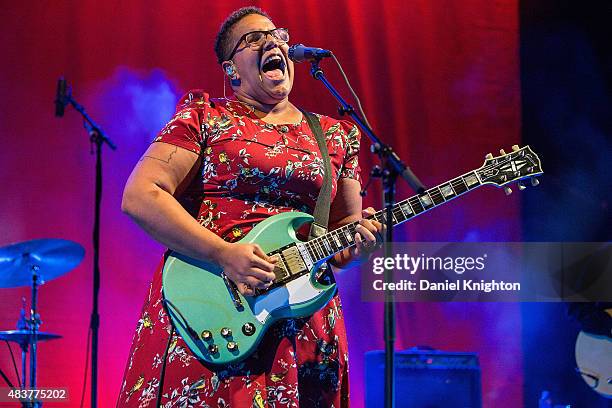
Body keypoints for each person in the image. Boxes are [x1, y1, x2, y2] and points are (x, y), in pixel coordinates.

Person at [117, 6, 382, 407]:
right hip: (213, 308)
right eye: (254, 39)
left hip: (301, 321)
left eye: (277, 35)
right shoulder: (206, 117)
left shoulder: (336, 134)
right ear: (232, 70)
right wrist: (223, 254)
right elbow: (141, 195)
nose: (272, 42)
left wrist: (361, 247)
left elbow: (342, 239)